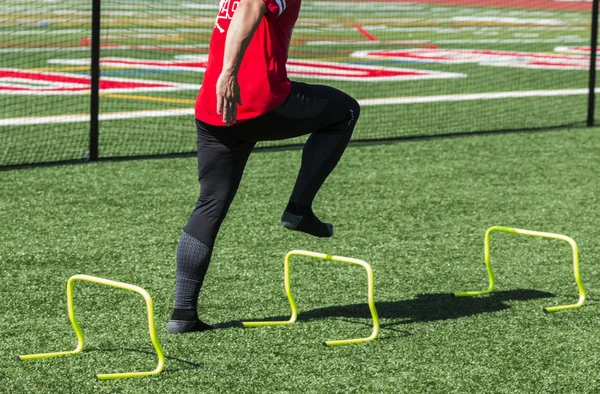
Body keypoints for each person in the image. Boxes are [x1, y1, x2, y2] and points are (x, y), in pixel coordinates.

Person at [167, 0, 361, 333]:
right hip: (257, 101)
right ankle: (298, 208)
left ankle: (182, 314)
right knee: (345, 111)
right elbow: (251, 8)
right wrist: (229, 73)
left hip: (213, 108)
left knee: (209, 205)